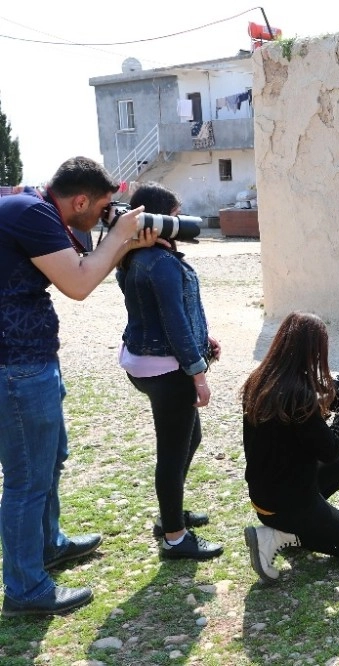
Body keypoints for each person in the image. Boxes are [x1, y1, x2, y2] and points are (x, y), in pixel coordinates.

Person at [0, 157, 158, 617]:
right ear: (81, 200)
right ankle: (26, 589)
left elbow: (83, 262)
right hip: (17, 367)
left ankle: (47, 545)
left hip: (29, 361)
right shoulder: (33, 213)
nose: (105, 217)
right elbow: (80, 282)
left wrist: (117, 242)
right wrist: (119, 238)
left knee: (51, 459)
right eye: (103, 208)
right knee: (27, 479)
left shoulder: (34, 209)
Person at [116, 182, 223, 560]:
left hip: (146, 362)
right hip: (167, 369)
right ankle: (174, 536)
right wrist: (198, 374)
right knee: (173, 452)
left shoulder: (134, 259)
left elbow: (159, 313)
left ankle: (171, 511)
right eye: (175, 217)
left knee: (189, 439)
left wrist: (203, 340)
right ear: (158, 221)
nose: (182, 225)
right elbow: (174, 323)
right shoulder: (160, 263)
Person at [241, 312, 339, 584]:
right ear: (314, 351)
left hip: (265, 493)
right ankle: (280, 534)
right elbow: (329, 449)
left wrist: (331, 398)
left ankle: (305, 521)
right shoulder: (299, 396)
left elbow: (300, 430)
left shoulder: (261, 380)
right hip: (287, 503)